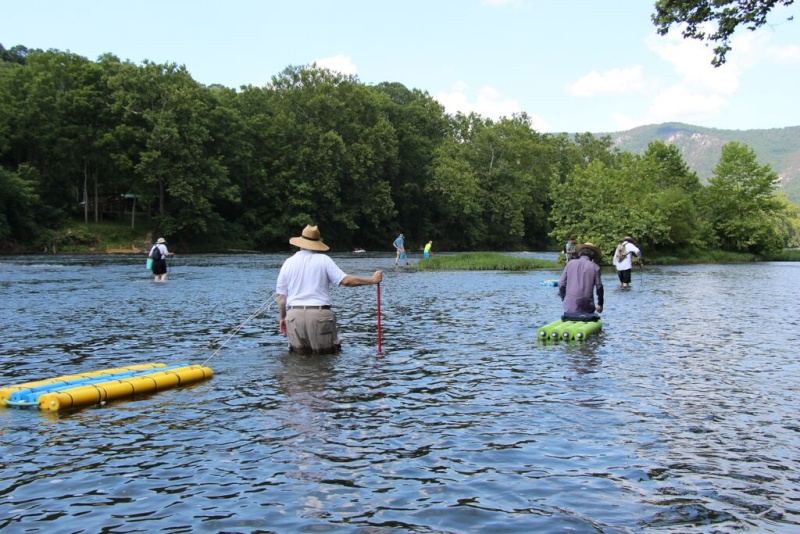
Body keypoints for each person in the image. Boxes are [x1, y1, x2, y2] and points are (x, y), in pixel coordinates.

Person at [276, 225, 383, 355]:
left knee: (298, 363)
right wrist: (372, 280)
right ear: (317, 243)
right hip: (319, 316)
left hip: (293, 317)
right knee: (326, 360)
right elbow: (346, 281)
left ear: (301, 243)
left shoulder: (288, 262)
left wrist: (282, 318)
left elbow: (281, 298)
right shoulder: (323, 260)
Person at [557, 242, 604, 317]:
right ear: (593, 255)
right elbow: (599, 287)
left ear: (580, 253)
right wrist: (600, 304)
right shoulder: (595, 267)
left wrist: (564, 298)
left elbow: (561, 284)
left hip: (569, 306)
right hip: (587, 307)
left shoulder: (570, 264)